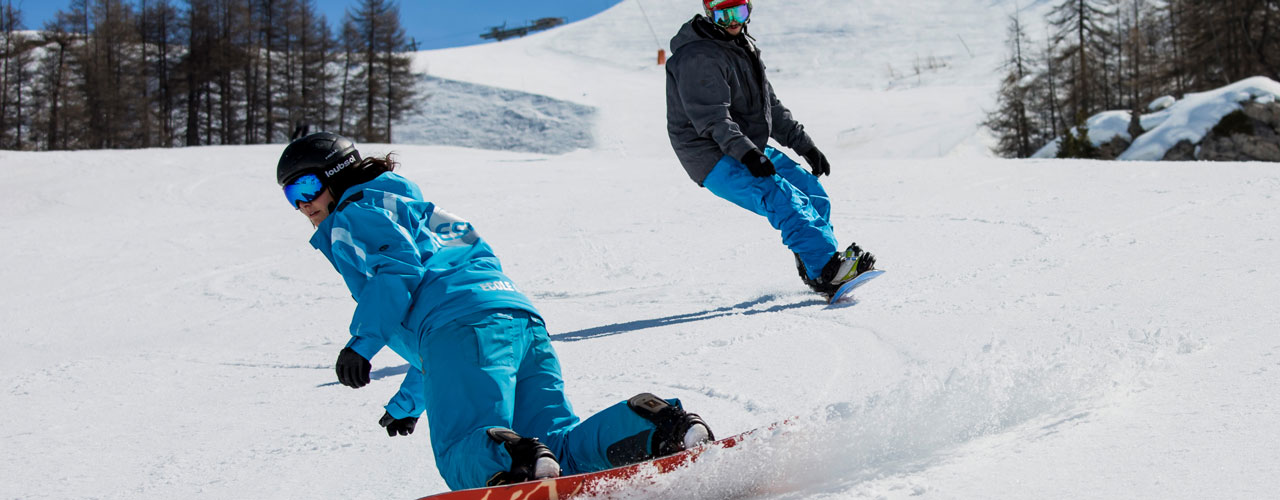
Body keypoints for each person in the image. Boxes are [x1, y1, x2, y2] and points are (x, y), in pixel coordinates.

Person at [276, 132, 713, 491]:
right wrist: (408, 402)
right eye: (291, 196)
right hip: (516, 319)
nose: (303, 205)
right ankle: (659, 424)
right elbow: (451, 327)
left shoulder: (352, 216)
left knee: (462, 449)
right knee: (555, 445)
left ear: (338, 175)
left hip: (459, 327)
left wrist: (361, 344)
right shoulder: (427, 211)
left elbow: (398, 271)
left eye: (307, 187)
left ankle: (516, 460)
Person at [665, 0, 876, 298]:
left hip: (746, 145)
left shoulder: (741, 46)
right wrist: (748, 154)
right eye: (724, 15)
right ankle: (826, 271)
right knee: (784, 199)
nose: (732, 22)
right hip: (712, 153)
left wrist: (804, 145)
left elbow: (769, 107)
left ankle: (818, 265)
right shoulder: (698, 56)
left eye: (738, 12)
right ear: (709, 14)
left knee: (812, 193)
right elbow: (713, 119)